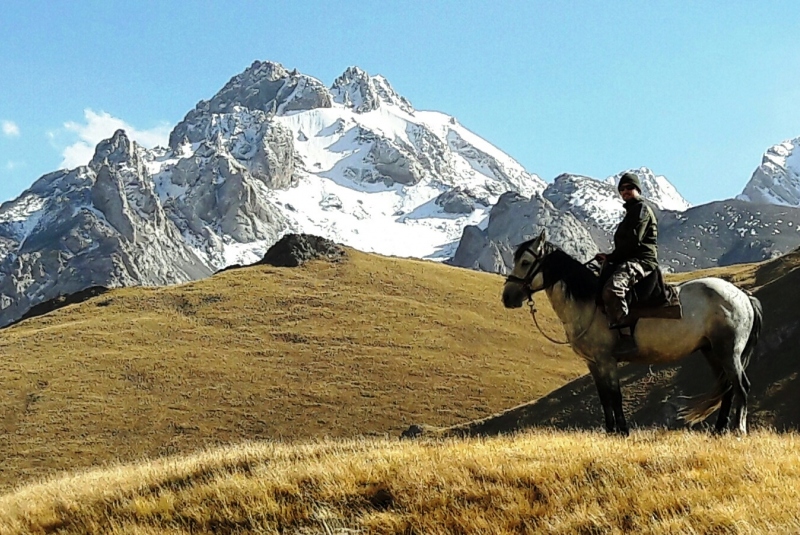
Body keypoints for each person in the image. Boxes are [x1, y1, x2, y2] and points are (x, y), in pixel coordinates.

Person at [594, 172, 659, 356]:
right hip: (629, 258)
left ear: (637, 189)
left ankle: (626, 337)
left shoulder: (641, 210)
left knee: (613, 289)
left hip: (642, 260)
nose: (625, 191)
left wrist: (612, 257)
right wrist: (609, 257)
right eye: (622, 189)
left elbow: (633, 241)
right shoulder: (631, 212)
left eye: (629, 188)